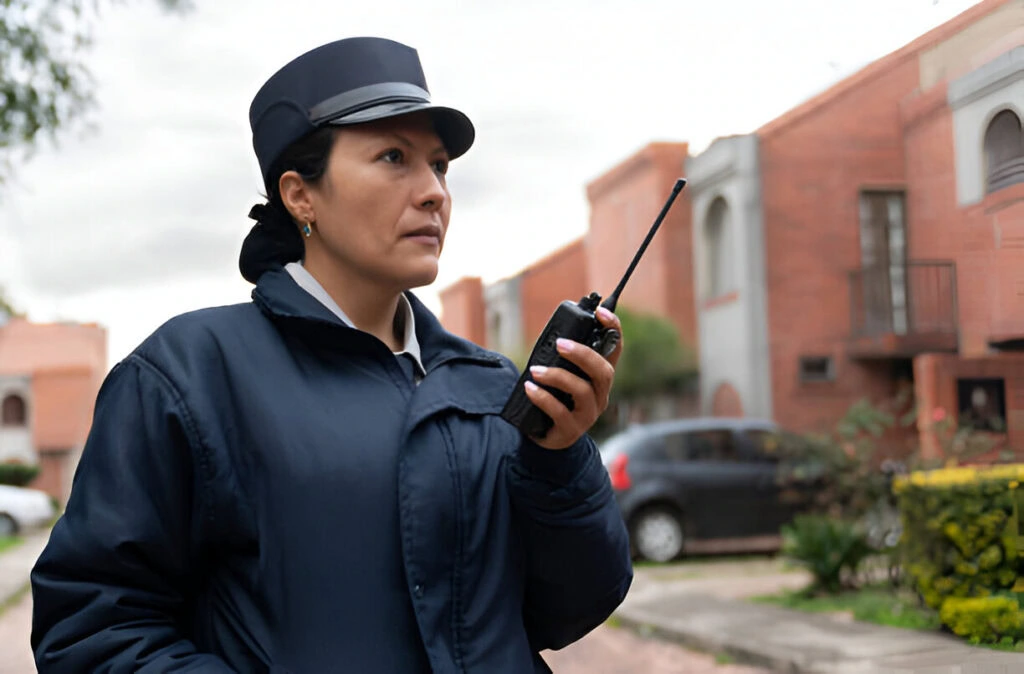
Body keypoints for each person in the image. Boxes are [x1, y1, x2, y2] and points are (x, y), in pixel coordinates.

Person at [29, 36, 633, 673]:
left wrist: (559, 462)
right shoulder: (189, 374)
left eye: (440, 166)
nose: (433, 192)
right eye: (394, 157)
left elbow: (566, 612)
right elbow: (93, 629)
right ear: (300, 195)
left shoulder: (489, 387)